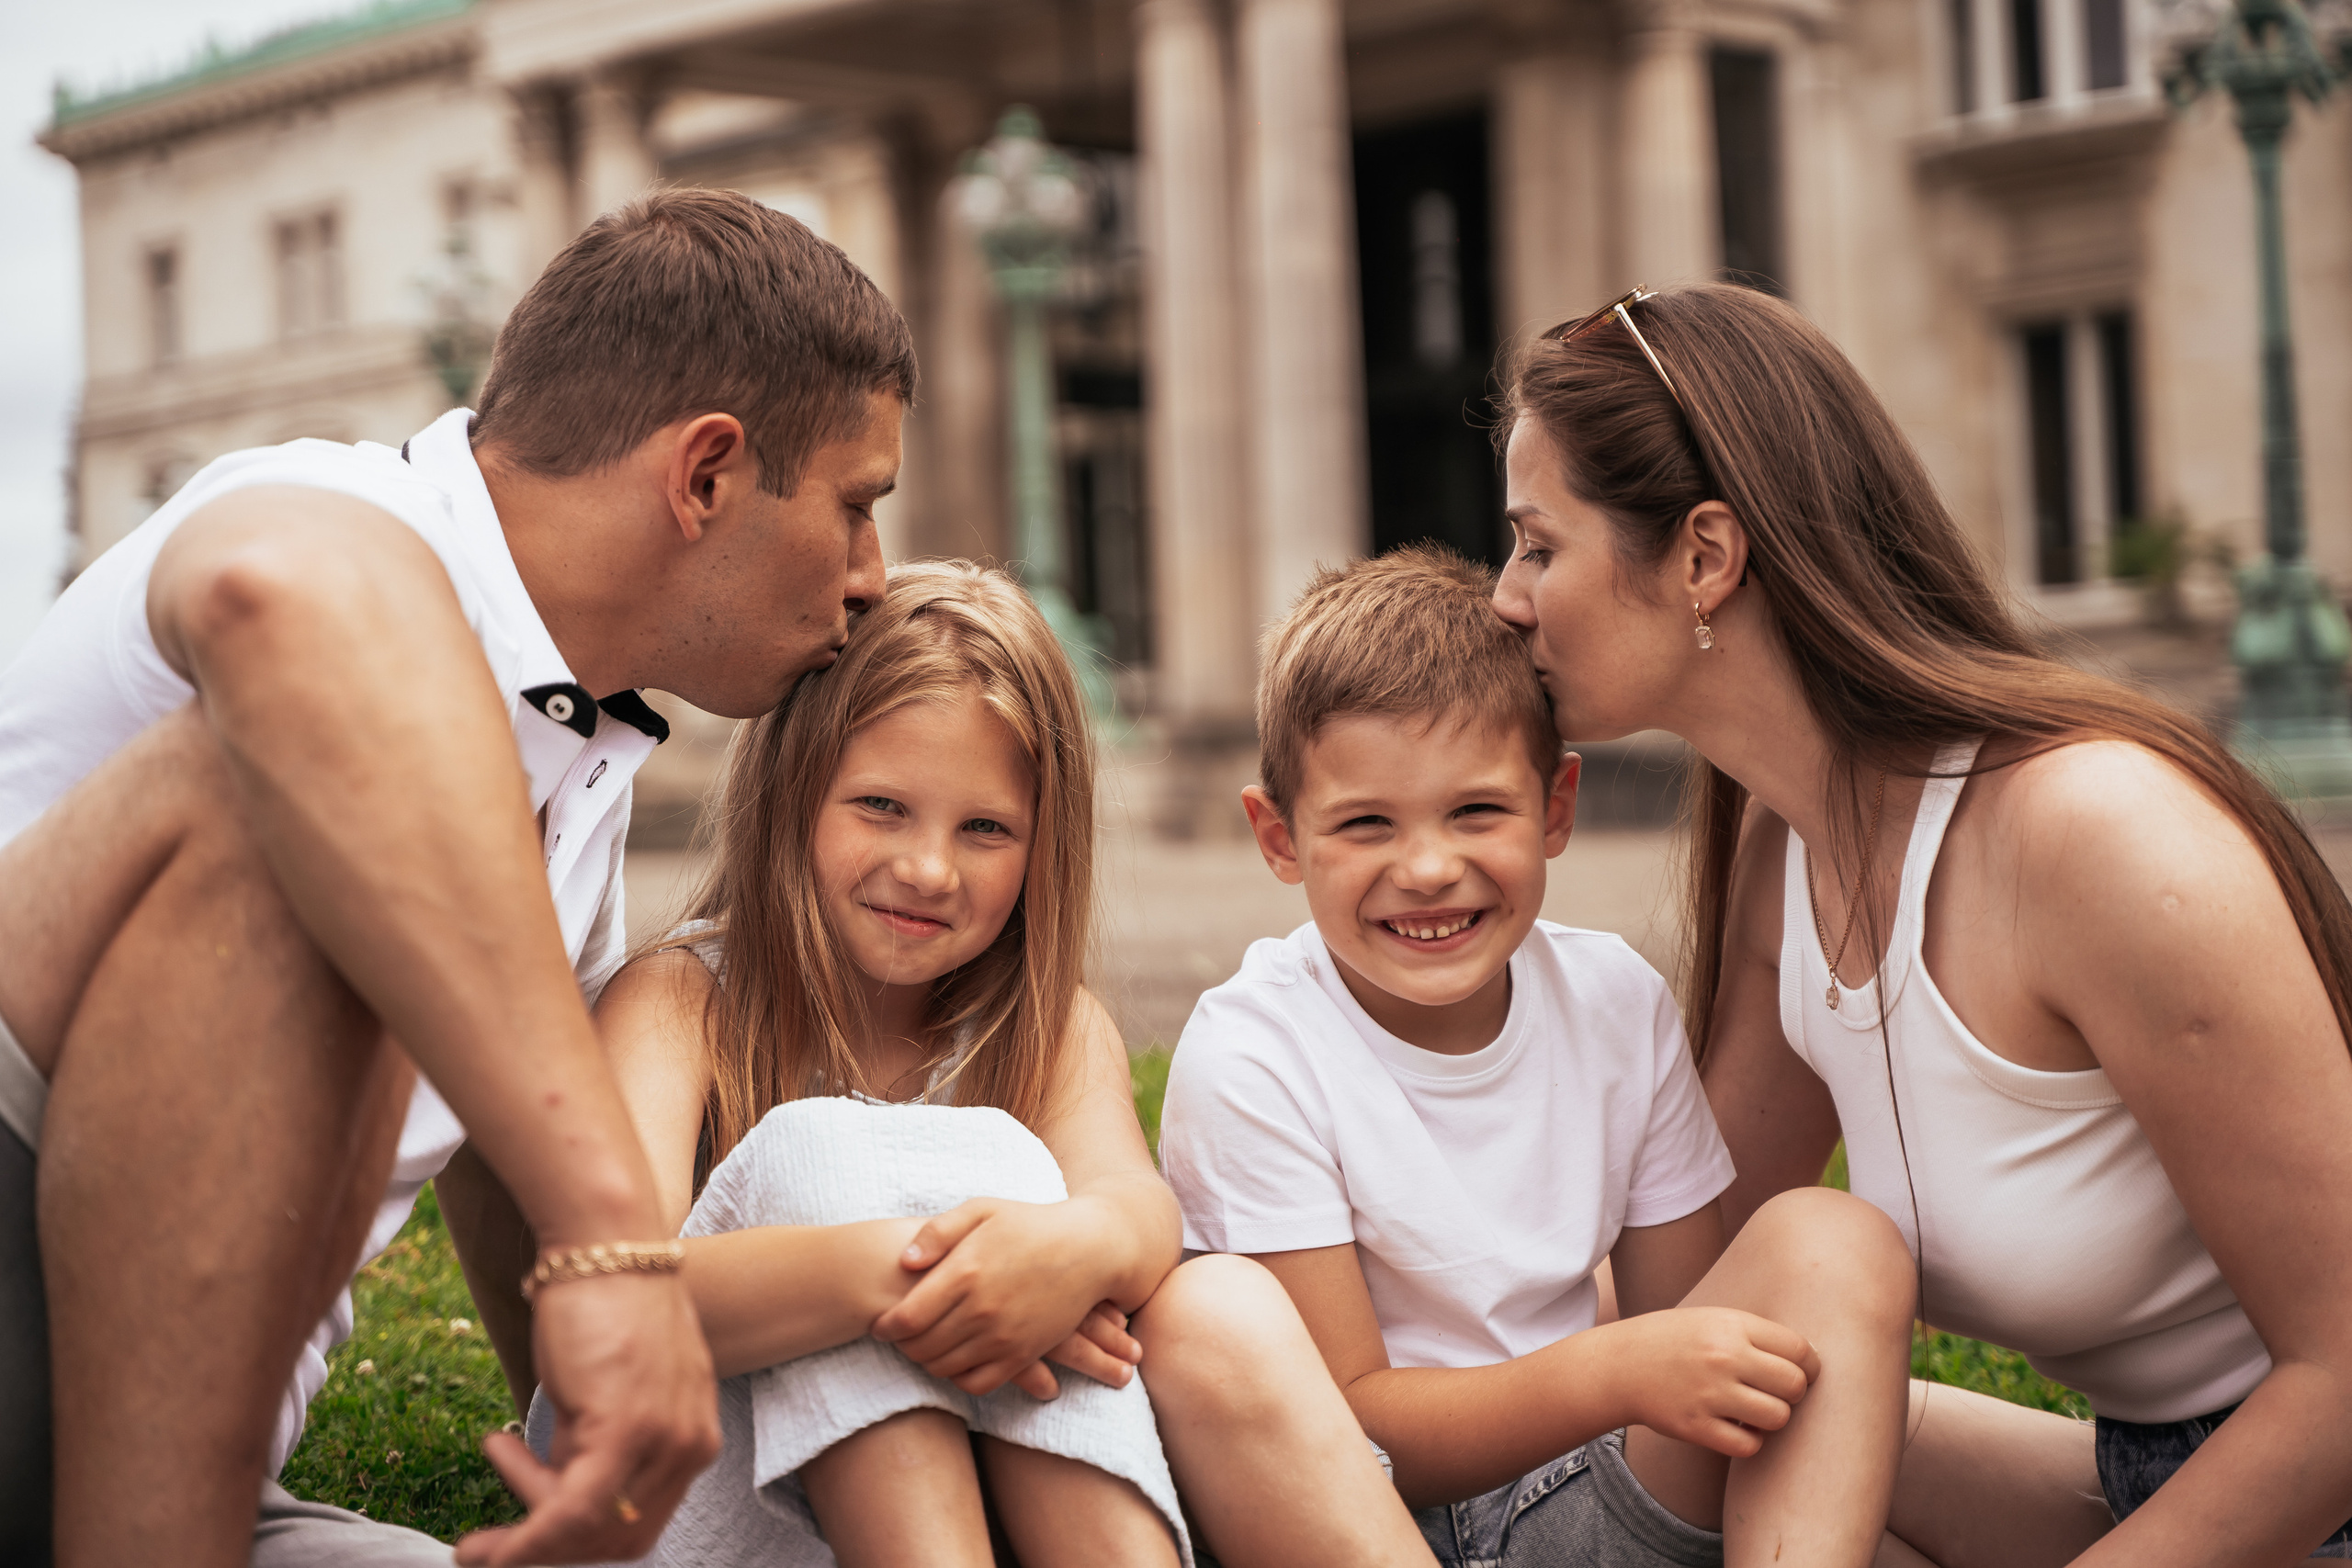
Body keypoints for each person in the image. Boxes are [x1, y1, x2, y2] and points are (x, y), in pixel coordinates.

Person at [0, 186, 918, 1567]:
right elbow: (280, 602)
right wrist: (618, 1238)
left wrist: (572, 1432)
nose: (872, 574)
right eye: (855, 507)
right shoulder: (334, 511)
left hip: (166, 1454)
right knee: (295, 809)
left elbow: (504, 1147)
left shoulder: (580, 751)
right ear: (706, 473)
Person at [1489, 282, 2352, 1567]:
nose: (1505, 596)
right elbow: (1698, 1282)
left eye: (1537, 545)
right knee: (1780, 1414)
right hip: (2140, 1473)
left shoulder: (2097, 837)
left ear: (1706, 557)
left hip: (2303, 1488)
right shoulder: (1790, 852)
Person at [468, 560, 1442, 1568]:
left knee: (1172, 1282)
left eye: (984, 829)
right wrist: (903, 1272)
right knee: (838, 1161)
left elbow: (1137, 1213)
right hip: (694, 1505)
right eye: (882, 806)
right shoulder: (682, 1000)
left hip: (979, 1505)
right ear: (793, 793)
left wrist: (1066, 1254)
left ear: (1040, 846)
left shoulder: (1048, 1026)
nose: (929, 869)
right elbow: (615, 1299)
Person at [1159, 546, 1917, 1568]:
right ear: (1279, 836)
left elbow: (1678, 1320)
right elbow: (1351, 1430)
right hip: (1385, 1528)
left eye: (1477, 811)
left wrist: (1638, 1375)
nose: (1428, 869)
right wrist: (1612, 1375)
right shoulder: (1255, 1053)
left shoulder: (1612, 1001)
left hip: (1593, 1489)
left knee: (1835, 1241)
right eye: (1365, 824)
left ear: (1555, 808)